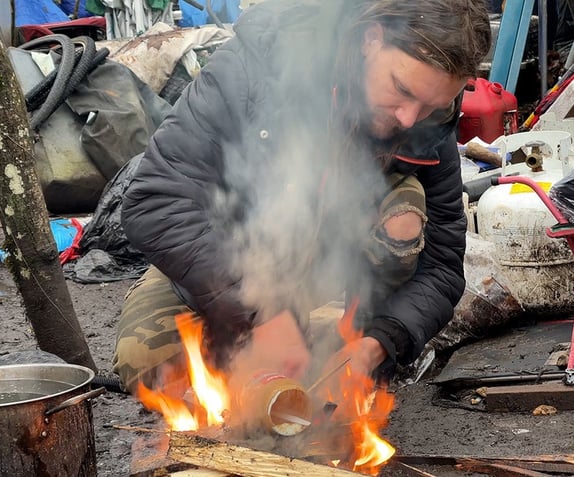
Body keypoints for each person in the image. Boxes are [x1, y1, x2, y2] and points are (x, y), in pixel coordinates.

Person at [112, 0, 492, 400]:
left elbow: (443, 266)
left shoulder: (429, 122)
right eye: (401, 89)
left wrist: (380, 342)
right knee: (151, 363)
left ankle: (340, 337)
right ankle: (284, 341)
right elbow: (153, 201)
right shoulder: (254, 67)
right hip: (227, 262)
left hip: (330, 277)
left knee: (404, 212)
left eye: (431, 105)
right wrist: (262, 313)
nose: (409, 118)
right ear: (371, 39)